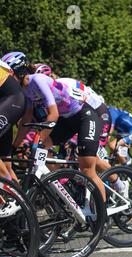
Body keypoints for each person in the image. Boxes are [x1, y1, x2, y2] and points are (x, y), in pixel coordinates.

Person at [10, 59, 106, 200]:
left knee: (87, 170)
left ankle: (103, 214)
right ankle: (63, 195)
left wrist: (39, 141)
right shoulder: (24, 90)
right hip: (66, 120)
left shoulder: (38, 80)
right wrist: (14, 146)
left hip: (84, 115)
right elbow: (26, 119)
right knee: (39, 154)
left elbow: (53, 115)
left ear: (18, 72)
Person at [0, 53, 26, 182]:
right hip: (7, 103)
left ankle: (10, 190)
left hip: (13, 100)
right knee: (5, 163)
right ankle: (20, 200)